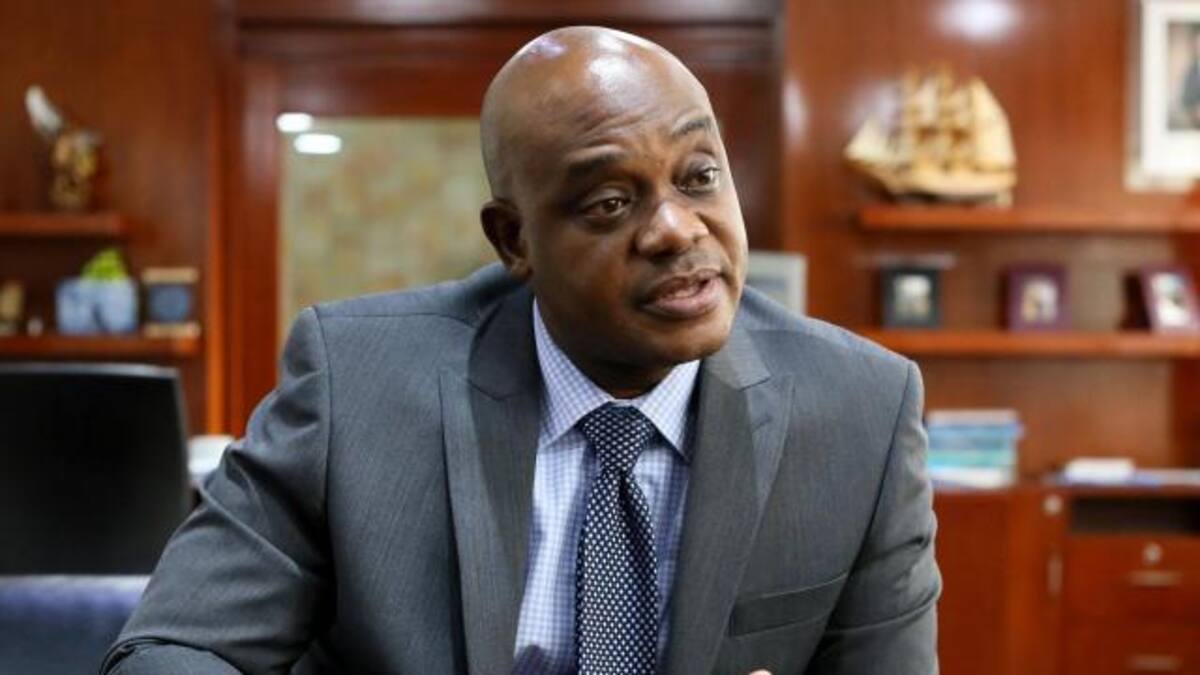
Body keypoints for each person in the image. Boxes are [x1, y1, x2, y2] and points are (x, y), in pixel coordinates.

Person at [104, 26, 939, 675]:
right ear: (514, 240)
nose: (677, 229)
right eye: (610, 202)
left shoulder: (861, 413)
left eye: (698, 177)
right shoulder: (354, 385)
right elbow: (172, 649)